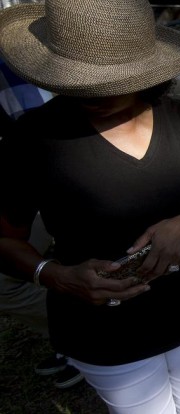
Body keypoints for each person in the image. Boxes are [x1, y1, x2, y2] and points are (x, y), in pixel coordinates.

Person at [0, 0, 180, 412]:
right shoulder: (33, 138)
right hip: (102, 334)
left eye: (110, 80)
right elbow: (5, 240)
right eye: (77, 80)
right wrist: (55, 275)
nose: (92, 94)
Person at [0, 56, 83, 389]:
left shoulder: (7, 68)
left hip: (46, 190)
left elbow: (40, 136)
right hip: (33, 189)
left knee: (6, 283)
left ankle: (85, 334)